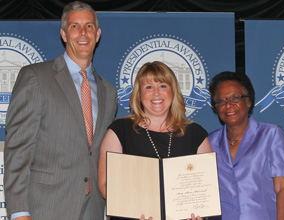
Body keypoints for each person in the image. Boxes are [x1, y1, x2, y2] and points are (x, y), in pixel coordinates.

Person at [4, 1, 117, 220]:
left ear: (98, 33)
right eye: (75, 26)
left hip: (93, 211)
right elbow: (17, 150)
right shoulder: (36, 77)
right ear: (64, 34)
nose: (83, 33)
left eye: (89, 26)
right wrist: (19, 212)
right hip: (45, 209)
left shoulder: (109, 92)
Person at [98, 61, 212, 220]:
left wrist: (201, 216)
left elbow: (207, 191)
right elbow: (105, 186)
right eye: (148, 87)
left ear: (173, 92)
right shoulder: (120, 131)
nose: (156, 93)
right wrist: (133, 211)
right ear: (139, 94)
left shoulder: (195, 134)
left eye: (163, 86)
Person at [208, 71, 284, 220]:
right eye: (221, 100)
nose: (228, 105)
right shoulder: (209, 142)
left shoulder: (272, 135)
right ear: (216, 107)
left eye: (235, 98)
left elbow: (282, 188)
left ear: (248, 101)